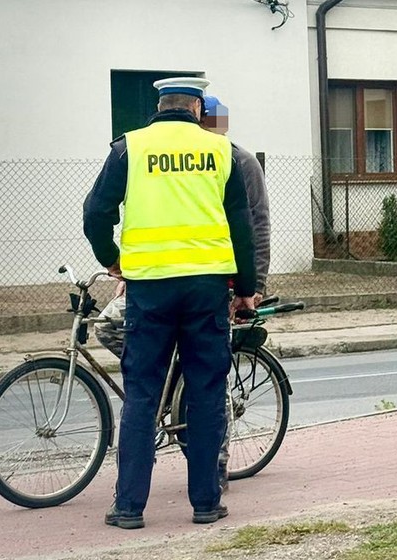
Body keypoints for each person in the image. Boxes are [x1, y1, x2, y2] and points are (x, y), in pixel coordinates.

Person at [83, 76, 256, 529]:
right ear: (199, 109)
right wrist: (246, 289)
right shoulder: (222, 152)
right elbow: (242, 225)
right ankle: (205, 504)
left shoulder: (129, 149)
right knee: (205, 394)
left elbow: (96, 211)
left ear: (159, 105)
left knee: (141, 393)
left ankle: (128, 508)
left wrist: (113, 260)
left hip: (150, 288)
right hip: (206, 290)